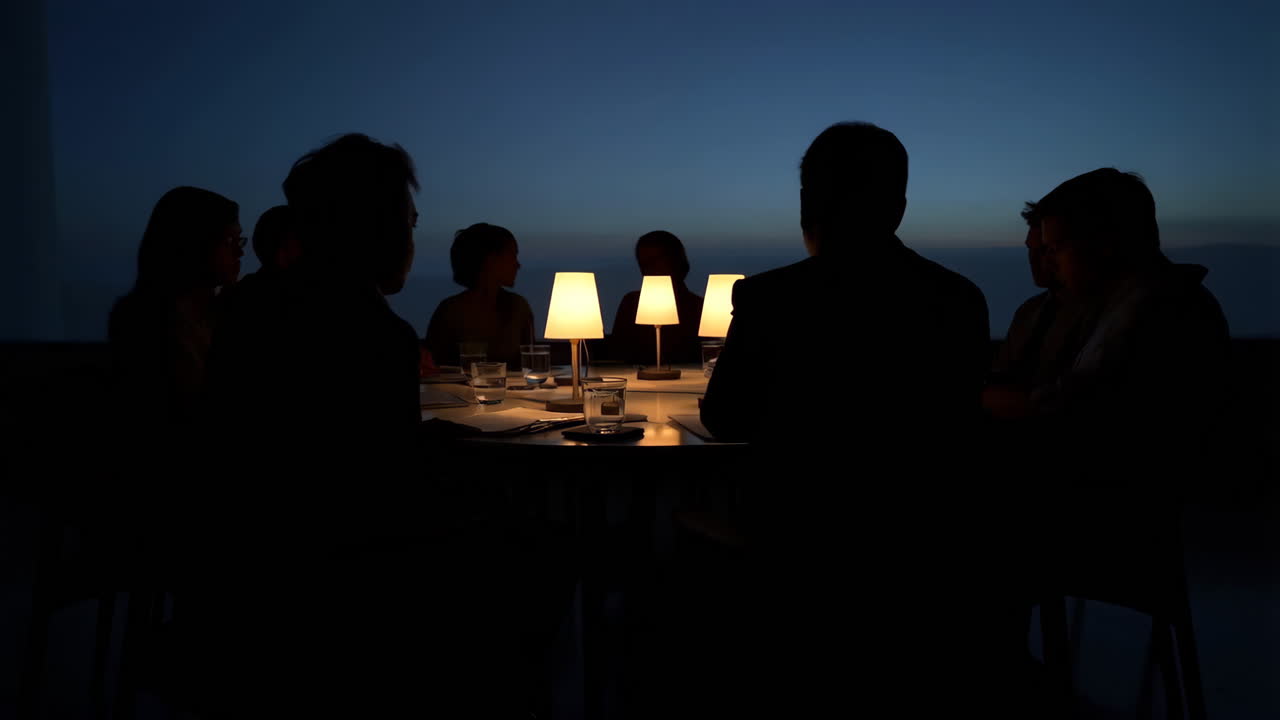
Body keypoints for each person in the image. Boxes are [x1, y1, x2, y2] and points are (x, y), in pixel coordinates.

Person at [680, 122, 1034, 717]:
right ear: (897, 206)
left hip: (798, 537)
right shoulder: (958, 298)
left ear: (806, 206)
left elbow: (726, 416)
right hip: (929, 539)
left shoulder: (770, 297)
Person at [108, 186, 242, 426]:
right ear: (195, 244)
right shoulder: (150, 326)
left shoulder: (213, 315)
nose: (239, 251)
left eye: (239, 239)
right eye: (229, 240)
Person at [423, 223, 534, 368]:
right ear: (491, 260)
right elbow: (434, 367)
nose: (517, 265)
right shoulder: (450, 312)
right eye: (512, 255)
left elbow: (529, 364)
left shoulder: (518, 307)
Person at [610, 230, 705, 365]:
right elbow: (617, 352)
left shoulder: (699, 308)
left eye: (655, 261)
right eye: (643, 264)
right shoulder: (631, 304)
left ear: (676, 262)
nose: (648, 270)